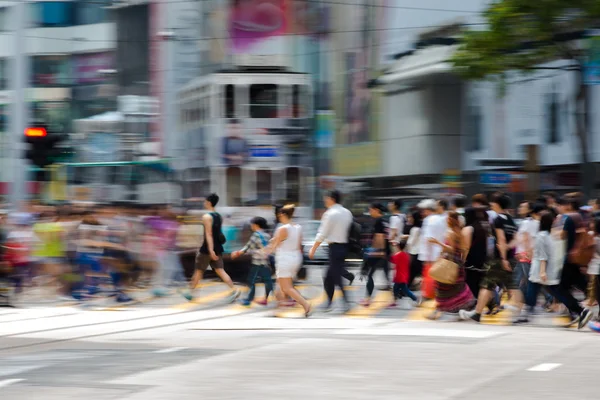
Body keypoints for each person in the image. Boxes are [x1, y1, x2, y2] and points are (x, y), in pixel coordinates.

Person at [460, 193, 520, 323]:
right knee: (512, 285)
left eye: (493, 202)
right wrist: (508, 250)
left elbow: (501, 239)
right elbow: (515, 239)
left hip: (500, 260)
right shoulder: (510, 220)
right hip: (510, 258)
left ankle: (477, 313)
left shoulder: (498, 220)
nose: (491, 204)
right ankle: (519, 312)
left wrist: (503, 257)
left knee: (486, 285)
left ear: (497, 204)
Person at [551, 196, 593, 328]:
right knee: (584, 285)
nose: (558, 208)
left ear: (567, 205)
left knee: (555, 287)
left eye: (559, 205)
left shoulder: (568, 218)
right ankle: (577, 312)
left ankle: (580, 311)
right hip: (576, 258)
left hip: (569, 258)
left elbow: (560, 236)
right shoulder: (581, 217)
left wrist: (556, 227)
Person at [309, 190, 353, 312]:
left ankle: (345, 303)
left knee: (336, 277)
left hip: (334, 248)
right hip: (344, 247)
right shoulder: (347, 212)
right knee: (329, 277)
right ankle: (329, 302)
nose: (324, 201)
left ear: (331, 199)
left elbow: (322, 233)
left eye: (326, 198)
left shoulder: (330, 214)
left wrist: (313, 249)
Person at [264, 204, 312, 317]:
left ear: (283, 214)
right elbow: (299, 244)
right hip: (295, 258)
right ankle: (279, 309)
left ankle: (306, 305)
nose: (279, 216)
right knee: (279, 285)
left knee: (286, 287)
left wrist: (265, 252)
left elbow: (274, 245)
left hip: (285, 259)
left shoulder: (282, 228)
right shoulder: (298, 227)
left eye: (280, 214)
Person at [191, 193, 240, 301]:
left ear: (208, 202)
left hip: (207, 249)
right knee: (220, 270)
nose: (204, 203)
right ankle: (234, 289)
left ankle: (192, 294)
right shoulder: (218, 216)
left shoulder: (206, 217)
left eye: (205, 201)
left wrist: (210, 250)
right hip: (218, 248)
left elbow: (209, 234)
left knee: (199, 271)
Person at [427, 212, 475, 319]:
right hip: (457, 263)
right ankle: (452, 309)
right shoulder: (460, 232)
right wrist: (462, 261)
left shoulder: (450, 233)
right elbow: (464, 249)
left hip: (449, 262)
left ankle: (438, 310)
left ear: (450, 220)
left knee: (442, 287)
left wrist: (437, 243)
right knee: (456, 287)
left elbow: (451, 249)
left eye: (447, 219)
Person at [515, 211, 561, 323]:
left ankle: (575, 309)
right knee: (535, 290)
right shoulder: (551, 234)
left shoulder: (542, 235)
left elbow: (542, 255)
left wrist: (542, 271)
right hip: (546, 268)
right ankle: (527, 313)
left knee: (555, 291)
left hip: (540, 269)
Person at [232, 217, 273, 307]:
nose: (251, 226)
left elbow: (247, 247)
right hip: (266, 262)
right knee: (268, 281)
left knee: (251, 281)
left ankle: (248, 300)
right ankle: (266, 298)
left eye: (252, 224)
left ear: (255, 225)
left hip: (257, 263)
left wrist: (237, 253)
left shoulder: (255, 235)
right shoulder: (267, 235)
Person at [360, 203, 390, 306]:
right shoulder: (385, 220)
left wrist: (373, 252)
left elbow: (379, 238)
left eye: (371, 210)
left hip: (379, 252)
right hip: (385, 252)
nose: (370, 212)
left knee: (370, 275)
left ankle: (367, 299)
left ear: (376, 210)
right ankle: (394, 300)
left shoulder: (378, 221)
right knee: (386, 278)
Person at [389, 241, 419, 307]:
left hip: (399, 275)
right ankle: (394, 301)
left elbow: (392, 260)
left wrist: (392, 247)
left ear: (398, 247)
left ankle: (415, 298)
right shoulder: (406, 255)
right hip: (404, 275)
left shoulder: (397, 255)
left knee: (403, 290)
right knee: (399, 289)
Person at [405, 211, 422, 288]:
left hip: (413, 253)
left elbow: (410, 243)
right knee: (414, 272)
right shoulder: (420, 228)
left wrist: (405, 252)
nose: (408, 219)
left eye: (410, 217)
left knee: (411, 272)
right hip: (419, 253)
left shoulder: (414, 229)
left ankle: (406, 288)